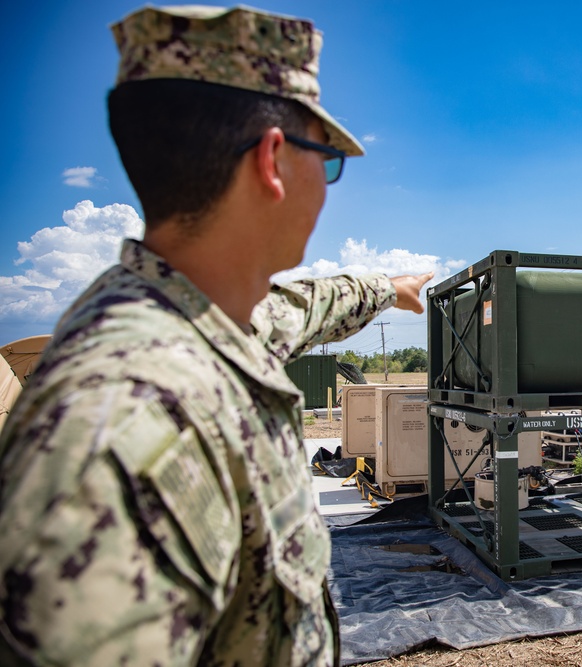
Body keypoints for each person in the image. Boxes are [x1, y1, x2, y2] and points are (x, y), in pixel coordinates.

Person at [0, 6, 432, 667]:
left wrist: (390, 287)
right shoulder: (122, 432)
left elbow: (311, 303)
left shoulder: (214, 312)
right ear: (274, 160)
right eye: (329, 161)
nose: (328, 185)